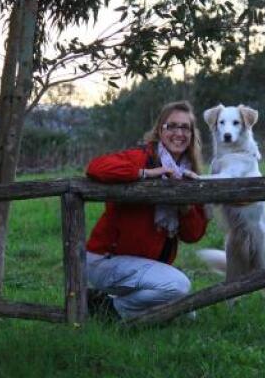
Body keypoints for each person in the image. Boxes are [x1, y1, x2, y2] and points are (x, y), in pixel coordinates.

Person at [85, 100, 208, 320]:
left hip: (144, 266)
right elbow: (95, 167)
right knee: (178, 285)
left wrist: (185, 205)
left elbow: (193, 235)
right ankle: (107, 309)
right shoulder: (143, 158)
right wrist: (147, 174)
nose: (179, 133)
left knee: (187, 315)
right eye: (172, 126)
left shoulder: (188, 173)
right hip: (106, 259)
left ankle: (117, 303)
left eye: (185, 127)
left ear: (192, 134)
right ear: (160, 130)